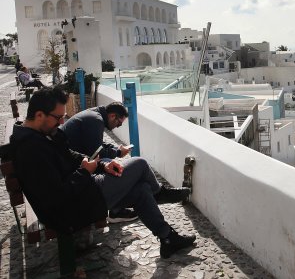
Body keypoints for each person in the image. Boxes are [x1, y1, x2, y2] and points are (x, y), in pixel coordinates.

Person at [10, 87, 196, 258]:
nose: (61, 123)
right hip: (68, 211)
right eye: (58, 118)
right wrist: (84, 172)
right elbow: (56, 195)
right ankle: (160, 193)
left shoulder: (41, 135)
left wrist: (100, 166)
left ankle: (168, 239)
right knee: (139, 163)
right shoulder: (30, 149)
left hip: (81, 195)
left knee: (141, 190)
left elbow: (68, 154)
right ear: (39, 115)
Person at [61, 102, 191, 223]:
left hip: (72, 164)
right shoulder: (96, 120)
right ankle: (158, 193)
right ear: (112, 116)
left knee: (114, 165)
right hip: (74, 171)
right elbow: (96, 153)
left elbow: (96, 144)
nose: (118, 126)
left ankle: (117, 210)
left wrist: (116, 149)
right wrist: (117, 153)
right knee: (139, 164)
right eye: (119, 123)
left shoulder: (93, 115)